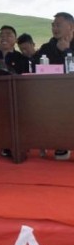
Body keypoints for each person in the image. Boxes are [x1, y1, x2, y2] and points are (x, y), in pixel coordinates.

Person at [33, 12, 74, 160]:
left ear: (71, 27)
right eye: (53, 25)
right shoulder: (47, 47)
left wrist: (67, 51)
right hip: (53, 93)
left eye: (58, 25)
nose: (54, 28)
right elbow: (34, 66)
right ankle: (60, 143)